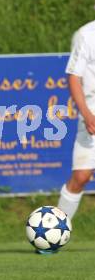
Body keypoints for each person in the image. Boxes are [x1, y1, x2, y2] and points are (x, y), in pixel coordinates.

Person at [58, 20, 95, 220]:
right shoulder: (86, 35)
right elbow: (73, 76)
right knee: (81, 176)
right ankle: (55, 230)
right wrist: (87, 113)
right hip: (92, 110)